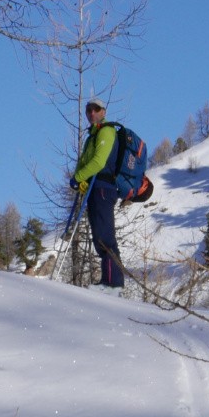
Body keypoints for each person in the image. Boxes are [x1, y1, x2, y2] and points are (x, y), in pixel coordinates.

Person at [69, 97, 124, 289]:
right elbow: (85, 162)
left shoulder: (106, 131)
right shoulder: (92, 135)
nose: (92, 113)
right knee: (99, 236)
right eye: (89, 110)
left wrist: (78, 177)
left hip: (103, 188)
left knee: (105, 237)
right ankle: (108, 281)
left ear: (104, 112)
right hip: (95, 188)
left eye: (96, 109)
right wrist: (81, 179)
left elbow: (99, 162)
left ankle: (114, 284)